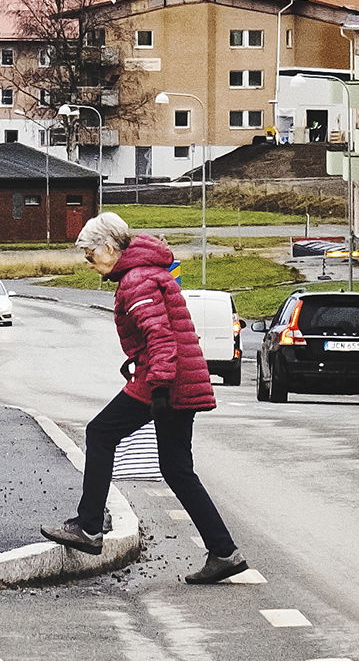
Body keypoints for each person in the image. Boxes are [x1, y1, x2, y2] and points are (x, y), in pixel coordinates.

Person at [41, 211, 248, 585]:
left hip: (164, 380)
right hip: (172, 377)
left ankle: (89, 527)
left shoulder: (136, 280)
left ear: (107, 246)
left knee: (101, 433)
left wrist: (161, 389)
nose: (90, 264)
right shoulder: (145, 272)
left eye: (91, 255)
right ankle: (224, 552)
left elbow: (161, 338)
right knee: (176, 468)